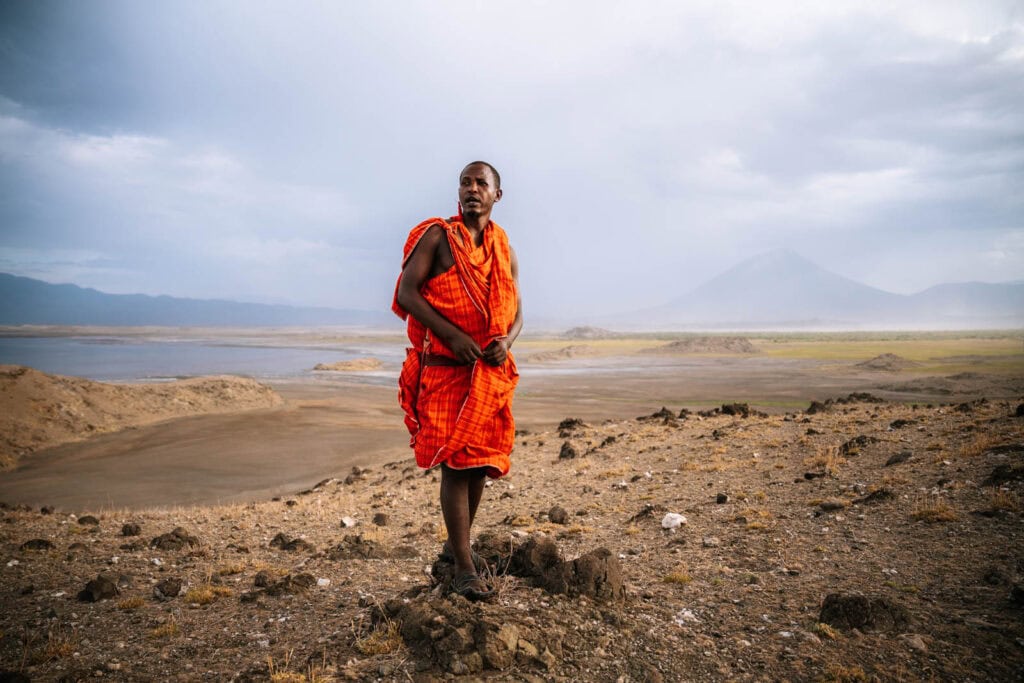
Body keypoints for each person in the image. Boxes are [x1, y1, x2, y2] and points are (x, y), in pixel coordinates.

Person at [392, 161, 523, 600]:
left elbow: (518, 310)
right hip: (447, 372)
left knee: (479, 464)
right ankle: (465, 571)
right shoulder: (437, 237)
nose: (472, 189)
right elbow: (406, 293)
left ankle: (453, 551)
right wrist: (452, 335)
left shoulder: (502, 246)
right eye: (465, 182)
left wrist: (506, 341)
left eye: (481, 183)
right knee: (455, 464)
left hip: (486, 372)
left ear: (496, 196)